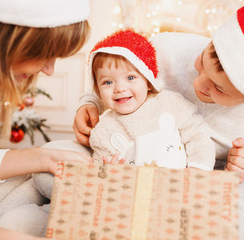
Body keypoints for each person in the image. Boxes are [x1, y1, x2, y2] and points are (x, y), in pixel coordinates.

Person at [74, 0, 244, 239]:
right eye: (203, 62)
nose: (198, 84)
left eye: (218, 89)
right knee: (57, 162)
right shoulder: (167, 48)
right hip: (132, 164)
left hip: (208, 181)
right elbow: (110, 70)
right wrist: (89, 103)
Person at [0, 0, 91, 239]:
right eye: (45, 54)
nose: (49, 70)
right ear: (5, 37)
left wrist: (41, 157)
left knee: (50, 166)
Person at [88, 29, 215, 170]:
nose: (119, 88)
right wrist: (106, 171)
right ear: (98, 90)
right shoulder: (103, 131)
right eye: (107, 82)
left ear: (148, 82)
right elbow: (99, 167)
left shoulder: (170, 104)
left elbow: (198, 136)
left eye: (130, 78)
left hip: (180, 184)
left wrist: (197, 170)